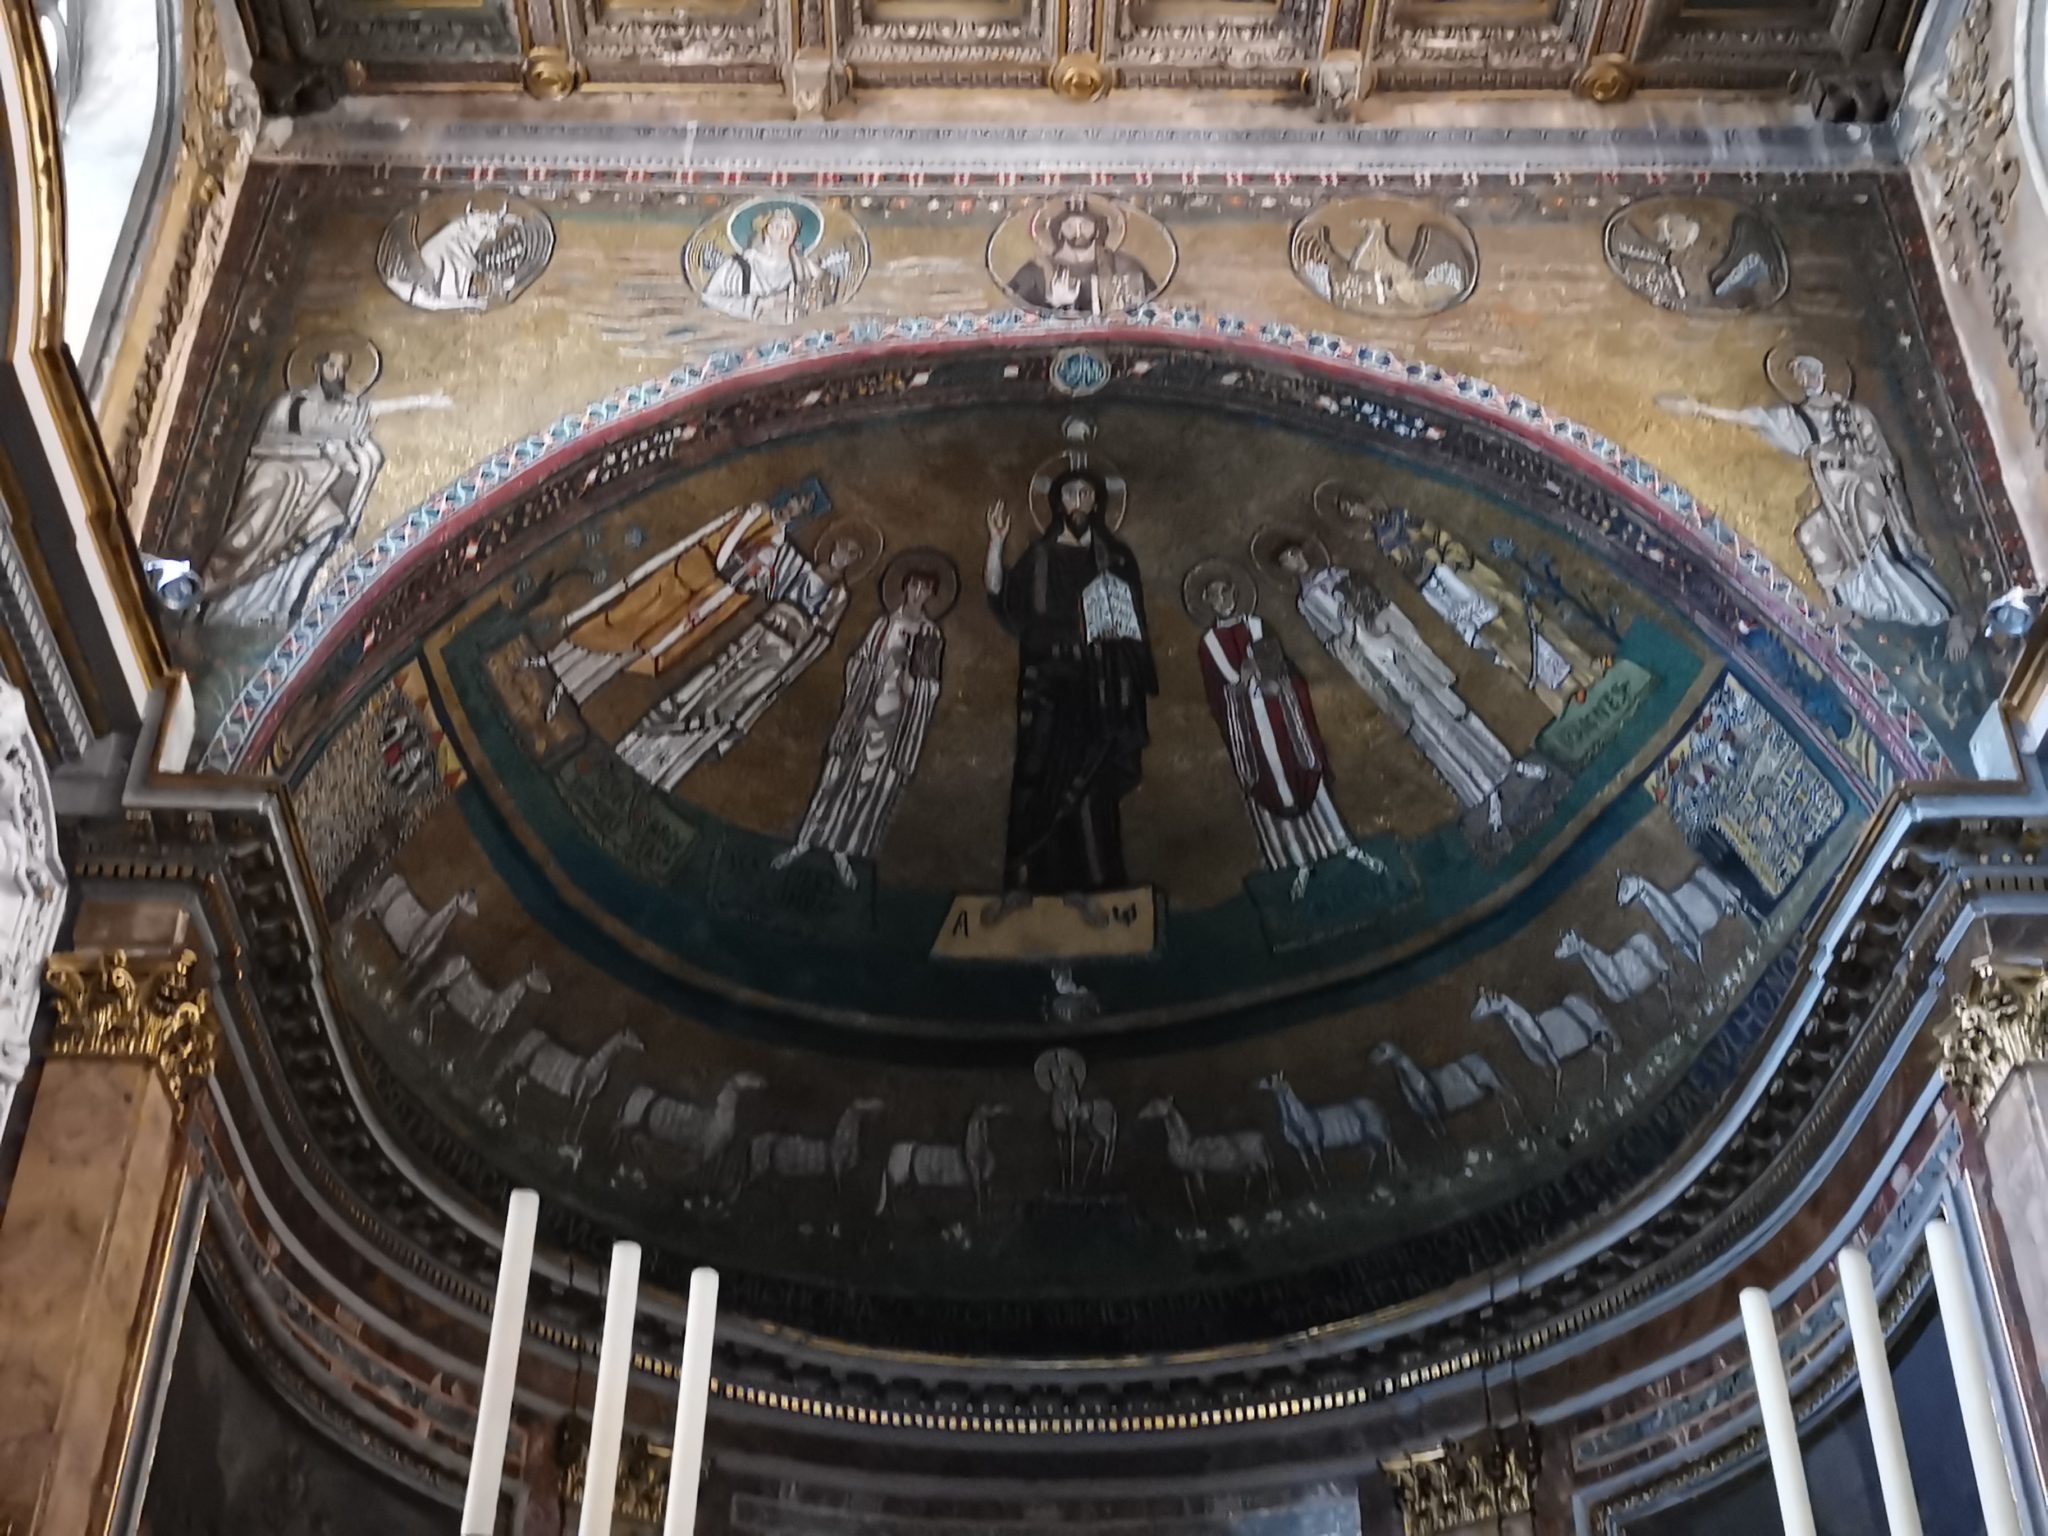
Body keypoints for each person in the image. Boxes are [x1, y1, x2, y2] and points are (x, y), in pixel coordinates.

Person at [1662, 356, 1964, 657]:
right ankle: (1840, 604)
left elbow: (1883, 456)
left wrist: (1865, 471)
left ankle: (1953, 616)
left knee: (1893, 555)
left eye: (1809, 371)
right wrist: (1699, 408)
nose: (1806, 378)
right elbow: (1756, 417)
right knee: (1811, 534)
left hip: (1865, 491)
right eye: (1799, 375)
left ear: (1823, 373)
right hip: (1836, 499)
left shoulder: (1854, 413)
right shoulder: (1799, 418)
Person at [1277, 543, 1546, 836]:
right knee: (1434, 729)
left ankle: (1509, 764)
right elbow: (1332, 641)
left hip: (1399, 647)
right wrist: (1349, 626)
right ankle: (1485, 790)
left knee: (1457, 709)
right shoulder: (1306, 602)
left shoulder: (1339, 573)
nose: (1295, 559)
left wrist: (1389, 629)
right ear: (1284, 569)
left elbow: (1380, 604)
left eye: (1295, 552)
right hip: (1377, 667)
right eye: (1287, 559)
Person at [984, 470, 1156, 920]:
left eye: (1086, 493)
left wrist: (1124, 663)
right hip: (1044, 678)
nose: (1078, 500)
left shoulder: (1115, 557)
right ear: (1058, 503)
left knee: (1091, 781)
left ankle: (1090, 885)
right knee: (1034, 775)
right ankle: (1023, 882)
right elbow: (1004, 601)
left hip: (1096, 680)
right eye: (1070, 493)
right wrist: (996, 545)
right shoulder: (1039, 555)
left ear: (1097, 503)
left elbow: (1133, 622)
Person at [202, 350, 450, 627]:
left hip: (316, 488)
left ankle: (280, 609)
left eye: (343, 368)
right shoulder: (291, 404)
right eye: (332, 365)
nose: (338, 373)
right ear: (317, 367)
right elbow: (269, 445)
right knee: (259, 531)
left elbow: (372, 411)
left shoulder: (345, 407)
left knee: (326, 527)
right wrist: (319, 450)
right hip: (280, 483)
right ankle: (234, 603)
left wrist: (424, 400)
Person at [616, 532, 861, 790]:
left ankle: (691, 743)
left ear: (854, 561)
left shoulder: (839, 594)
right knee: (717, 674)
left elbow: (822, 637)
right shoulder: (799, 566)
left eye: (851, 553)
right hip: (759, 632)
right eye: (842, 548)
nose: (843, 555)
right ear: (833, 547)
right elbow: (762, 572)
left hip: (783, 651)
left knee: (742, 693)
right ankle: (671, 720)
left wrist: (796, 664)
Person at [537, 491, 821, 714]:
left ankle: (574, 687)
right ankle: (553, 659)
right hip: (682, 572)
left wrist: (714, 603)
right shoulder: (754, 510)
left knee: (642, 645)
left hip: (701, 597)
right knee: (621, 616)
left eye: (801, 508)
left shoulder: (777, 541)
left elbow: (740, 580)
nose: (793, 508)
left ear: (801, 515)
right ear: (790, 498)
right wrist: (747, 521)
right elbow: (718, 542)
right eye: (796, 501)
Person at [1193, 573, 1381, 900]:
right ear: (1207, 602)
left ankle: (1345, 845)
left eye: (1226, 591)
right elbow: (1215, 695)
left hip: (1283, 714)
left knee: (1305, 768)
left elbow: (1285, 666)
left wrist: (1278, 683)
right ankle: (1297, 863)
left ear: (1235, 592)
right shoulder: (1209, 643)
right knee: (1266, 783)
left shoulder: (1257, 625)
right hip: (1248, 727)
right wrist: (1240, 685)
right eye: (1215, 595)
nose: (1222, 600)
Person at [774, 560, 949, 888]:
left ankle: (844, 850)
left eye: (925, 588)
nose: (918, 592)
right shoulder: (884, 625)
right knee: (835, 777)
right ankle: (805, 841)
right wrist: (874, 673)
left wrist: (915, 686)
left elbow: (932, 684)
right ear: (905, 587)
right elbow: (858, 661)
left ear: (931, 594)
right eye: (914, 585)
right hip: (864, 713)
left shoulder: (931, 634)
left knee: (871, 788)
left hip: (896, 725)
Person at [1372, 506, 1606, 717]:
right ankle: (1566, 694)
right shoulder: (1423, 585)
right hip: (1484, 622)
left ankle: (1587, 669)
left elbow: (1444, 540)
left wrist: (1450, 558)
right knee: (1521, 654)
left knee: (1539, 628)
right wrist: (1475, 638)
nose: (1400, 555)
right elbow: (1451, 615)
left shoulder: (1413, 527)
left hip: (1484, 589)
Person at [1007, 200, 1157, 316]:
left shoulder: (1125, 268)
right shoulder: (1035, 272)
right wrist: (1054, 304)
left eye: (1085, 224)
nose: (1078, 232)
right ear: (1059, 230)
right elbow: (1015, 319)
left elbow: (1151, 313)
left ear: (1097, 229)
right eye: (1070, 225)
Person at [701, 205, 839, 325]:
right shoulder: (736, 267)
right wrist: (752, 305)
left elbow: (828, 299)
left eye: (791, 228)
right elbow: (709, 298)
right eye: (778, 227)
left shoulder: (805, 268)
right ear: (767, 229)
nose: (785, 234)